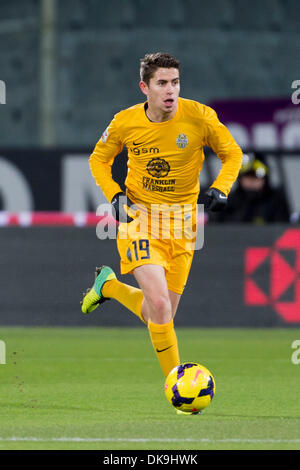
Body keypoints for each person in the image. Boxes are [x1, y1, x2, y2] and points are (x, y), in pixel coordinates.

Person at [81, 52, 243, 413]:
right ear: (145, 87)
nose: (171, 90)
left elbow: (233, 154)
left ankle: (107, 286)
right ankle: (179, 386)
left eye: (175, 82)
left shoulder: (200, 116)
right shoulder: (125, 122)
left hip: (184, 224)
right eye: (162, 84)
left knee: (162, 313)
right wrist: (115, 196)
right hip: (139, 218)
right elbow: (98, 159)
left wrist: (222, 187)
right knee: (158, 305)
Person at [209, 154, 290, 224]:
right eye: (247, 177)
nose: (252, 182)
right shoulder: (229, 202)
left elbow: (282, 228)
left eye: (256, 178)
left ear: (266, 180)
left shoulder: (276, 201)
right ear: (240, 179)